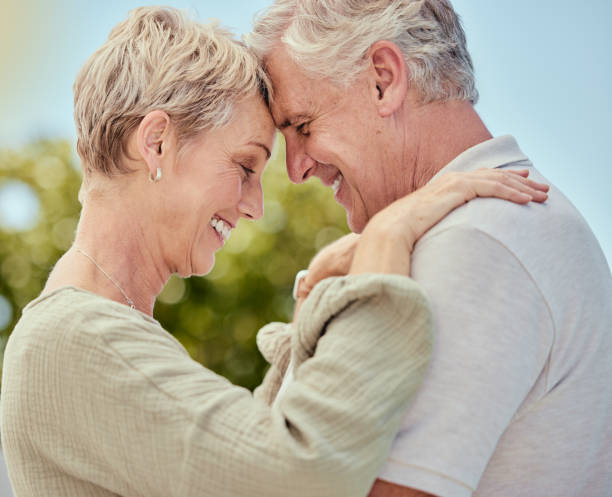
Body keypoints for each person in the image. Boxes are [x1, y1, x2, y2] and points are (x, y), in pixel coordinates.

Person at [0, 6, 548, 497]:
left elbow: (255, 451)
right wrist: (386, 244)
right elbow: (303, 476)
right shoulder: (78, 338)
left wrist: (317, 301)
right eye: (244, 166)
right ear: (157, 142)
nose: (255, 205)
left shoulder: (99, 334)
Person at [246, 1, 612, 496]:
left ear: (383, 79)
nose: (295, 169)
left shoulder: (475, 242)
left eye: (303, 126)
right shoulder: (490, 225)